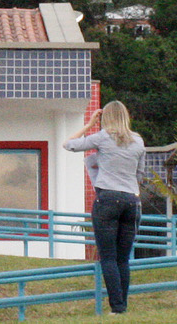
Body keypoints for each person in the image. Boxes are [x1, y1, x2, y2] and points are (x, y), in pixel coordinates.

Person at [64, 101, 145, 315]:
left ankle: (117, 308)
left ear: (105, 118)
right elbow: (140, 173)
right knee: (122, 258)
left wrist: (89, 124)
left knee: (108, 257)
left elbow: (69, 144)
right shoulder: (138, 140)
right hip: (131, 201)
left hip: (107, 198)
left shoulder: (102, 137)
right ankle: (122, 306)